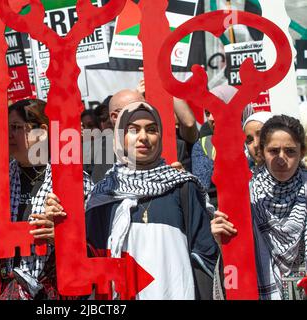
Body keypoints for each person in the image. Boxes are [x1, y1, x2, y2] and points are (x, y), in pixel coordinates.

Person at [47, 101, 219, 299]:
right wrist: (62, 233)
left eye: (152, 129)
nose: (143, 137)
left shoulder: (183, 187)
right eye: (133, 130)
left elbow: (204, 255)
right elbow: (91, 257)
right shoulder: (103, 195)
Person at [0, 99, 93, 300]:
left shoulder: (74, 184)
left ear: (42, 131)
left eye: (15, 127)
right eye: (5, 127)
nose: (8, 134)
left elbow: (93, 256)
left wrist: (62, 237)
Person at [211, 115, 307, 300]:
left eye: (290, 151)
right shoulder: (242, 193)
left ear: (302, 152)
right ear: (261, 152)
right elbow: (236, 263)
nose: (282, 159)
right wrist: (223, 241)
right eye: (273, 150)